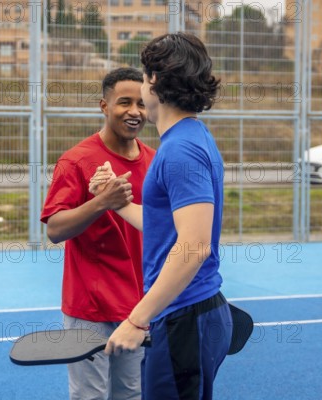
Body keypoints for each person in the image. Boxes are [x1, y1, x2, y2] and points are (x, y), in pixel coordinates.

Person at [90, 33, 231, 399]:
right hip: (187, 313)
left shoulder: (180, 149)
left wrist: (137, 319)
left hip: (186, 315)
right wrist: (116, 202)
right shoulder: (188, 138)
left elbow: (194, 245)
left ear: (154, 81)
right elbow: (167, 228)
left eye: (143, 76)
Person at [40, 67, 156, 400]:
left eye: (141, 103)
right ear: (104, 106)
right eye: (124, 102)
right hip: (89, 307)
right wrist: (102, 202)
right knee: (89, 396)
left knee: (130, 395)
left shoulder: (155, 161)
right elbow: (55, 230)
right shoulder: (76, 161)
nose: (134, 111)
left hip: (138, 306)